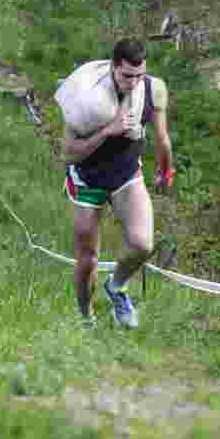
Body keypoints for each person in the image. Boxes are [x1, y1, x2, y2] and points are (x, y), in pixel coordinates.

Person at [56, 39, 174, 329]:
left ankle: (117, 287)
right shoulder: (87, 101)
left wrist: (165, 170)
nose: (133, 82)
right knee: (87, 260)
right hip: (88, 178)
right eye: (126, 76)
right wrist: (109, 130)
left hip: (126, 174)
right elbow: (68, 154)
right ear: (113, 68)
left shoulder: (153, 89)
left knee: (142, 244)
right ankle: (86, 318)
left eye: (139, 75)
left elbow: (161, 137)